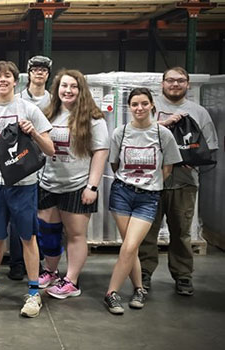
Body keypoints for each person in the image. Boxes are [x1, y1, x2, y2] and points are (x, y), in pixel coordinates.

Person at [0, 61, 54, 317]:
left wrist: (35, 134)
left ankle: (33, 293)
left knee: (28, 237)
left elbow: (50, 149)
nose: (2, 80)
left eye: (7, 76)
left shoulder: (29, 110)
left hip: (24, 185)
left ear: (16, 81)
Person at [139, 67, 219, 296]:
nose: (175, 84)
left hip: (184, 183)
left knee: (181, 233)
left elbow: (210, 148)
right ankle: (143, 273)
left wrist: (193, 159)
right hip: (151, 183)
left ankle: (183, 275)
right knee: (146, 232)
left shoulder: (199, 112)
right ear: (162, 84)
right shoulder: (149, 110)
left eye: (180, 81)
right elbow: (136, 137)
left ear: (188, 84)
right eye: (171, 80)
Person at [104, 87, 182, 314]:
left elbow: (167, 168)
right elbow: (115, 163)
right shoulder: (120, 132)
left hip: (148, 197)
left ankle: (111, 293)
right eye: (135, 104)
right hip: (122, 194)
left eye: (144, 104)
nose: (139, 108)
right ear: (129, 108)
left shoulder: (162, 134)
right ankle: (139, 289)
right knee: (132, 248)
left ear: (152, 106)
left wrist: (149, 184)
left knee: (129, 246)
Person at [37, 69, 109, 299]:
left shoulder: (93, 118)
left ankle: (71, 281)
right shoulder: (47, 114)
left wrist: (92, 186)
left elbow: (101, 152)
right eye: (64, 86)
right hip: (48, 183)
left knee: (76, 234)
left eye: (73, 86)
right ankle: (51, 271)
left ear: (81, 90)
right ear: (57, 89)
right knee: (48, 232)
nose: (68, 90)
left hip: (77, 185)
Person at [10, 55, 53, 280]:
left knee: (42, 217)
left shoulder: (53, 101)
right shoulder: (16, 100)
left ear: (48, 74)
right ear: (29, 72)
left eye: (44, 70)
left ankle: (40, 260)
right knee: (19, 217)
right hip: (22, 163)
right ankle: (17, 263)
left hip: (47, 165)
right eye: (35, 69)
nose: (39, 73)